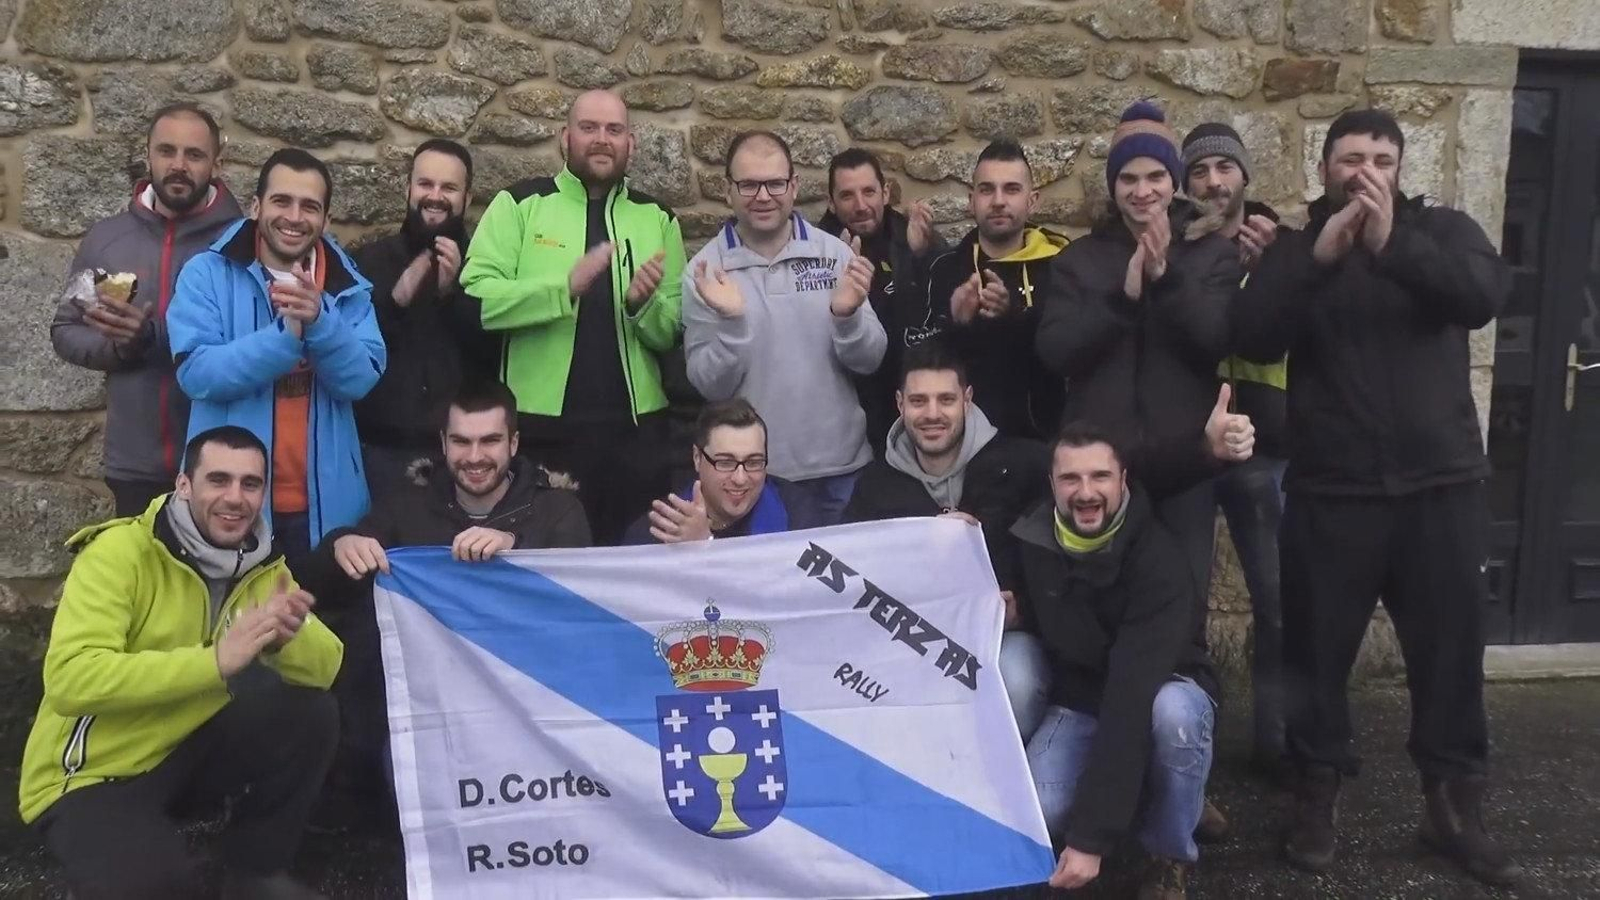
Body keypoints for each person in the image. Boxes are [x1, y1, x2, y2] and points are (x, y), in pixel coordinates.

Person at [1234, 109, 1520, 885]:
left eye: (1382, 159)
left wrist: (1391, 243)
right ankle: (1314, 799)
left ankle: (1452, 810)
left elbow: (1479, 296)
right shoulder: (1297, 249)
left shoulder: (1444, 231)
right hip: (1335, 491)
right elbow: (1253, 333)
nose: (1365, 172)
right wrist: (1314, 261)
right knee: (1316, 658)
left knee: (1450, 655)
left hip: (1442, 488)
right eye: (1350, 158)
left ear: (1401, 168)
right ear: (1324, 168)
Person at [17, 425, 343, 900]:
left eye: (250, 484)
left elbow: (328, 668)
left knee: (311, 714)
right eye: (218, 480)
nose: (235, 497)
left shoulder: (262, 563)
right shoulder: (119, 553)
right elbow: (71, 679)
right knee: (160, 885)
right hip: (94, 773)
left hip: (181, 749)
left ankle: (254, 871)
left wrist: (285, 641)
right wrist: (214, 662)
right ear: (184, 485)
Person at [297, 380, 590, 826]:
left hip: (528, 703)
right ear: (443, 443)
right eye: (461, 441)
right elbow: (325, 586)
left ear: (513, 443)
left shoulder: (557, 510)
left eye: (489, 441)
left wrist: (518, 548)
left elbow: (584, 590)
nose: (474, 457)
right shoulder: (406, 506)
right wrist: (341, 545)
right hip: (429, 706)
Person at [1036, 101, 1242, 600]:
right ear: (1113, 186)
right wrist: (1123, 297)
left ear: (1174, 183)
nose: (1142, 190)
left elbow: (1215, 339)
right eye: (1128, 178)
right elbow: (1055, 350)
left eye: (1155, 176)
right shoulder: (1078, 261)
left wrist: (1165, 280)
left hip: (1185, 465)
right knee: (1103, 603)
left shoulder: (1212, 254)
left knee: (1183, 600)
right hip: (1103, 474)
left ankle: (1184, 682)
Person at [460, 89, 685, 545]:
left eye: (614, 130)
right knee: (546, 568)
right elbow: (476, 301)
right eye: (589, 128)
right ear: (565, 138)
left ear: (631, 143)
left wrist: (643, 306)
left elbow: (673, 331)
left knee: (630, 570)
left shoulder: (658, 217)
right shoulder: (520, 204)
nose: (602, 140)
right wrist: (561, 290)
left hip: (637, 437)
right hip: (541, 432)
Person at [1013, 423, 1219, 900]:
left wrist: (1089, 841)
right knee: (1039, 812)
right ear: (1052, 484)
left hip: (1160, 686)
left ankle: (1169, 853)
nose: (1086, 492)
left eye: (1100, 476)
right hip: (1080, 697)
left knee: (1173, 718)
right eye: (1071, 479)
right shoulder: (1031, 538)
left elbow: (1130, 696)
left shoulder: (1160, 562)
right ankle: (1155, 791)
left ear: (1123, 479)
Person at [166, 148, 385, 567]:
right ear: (256, 206)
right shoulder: (206, 273)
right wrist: (285, 339)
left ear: (326, 220)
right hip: (230, 503)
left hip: (325, 511)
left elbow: (361, 378)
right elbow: (195, 372)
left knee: (318, 631)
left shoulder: (348, 285)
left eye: (310, 207)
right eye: (281, 201)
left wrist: (320, 322)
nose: (294, 217)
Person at [842, 343, 1050, 737]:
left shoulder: (1025, 466)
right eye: (919, 401)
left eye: (946, 400)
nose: (932, 414)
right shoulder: (875, 486)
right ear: (900, 404)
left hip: (1006, 640)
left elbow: (1058, 568)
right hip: (910, 643)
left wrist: (1023, 609)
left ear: (968, 400)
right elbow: (849, 579)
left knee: (1018, 683)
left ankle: (996, 792)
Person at [682, 130, 886, 530]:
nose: (763, 196)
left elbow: (872, 359)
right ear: (728, 191)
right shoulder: (704, 272)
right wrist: (733, 324)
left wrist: (847, 317)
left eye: (775, 183)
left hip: (842, 471)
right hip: (757, 481)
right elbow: (710, 386)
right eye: (749, 184)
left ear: (793, 187)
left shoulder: (835, 255)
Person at [50, 103, 244, 516]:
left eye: (194, 155)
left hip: (221, 463)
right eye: (167, 151)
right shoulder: (108, 239)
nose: (178, 165)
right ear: (148, 154)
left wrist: (154, 337)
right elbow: (66, 330)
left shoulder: (241, 242)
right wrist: (122, 347)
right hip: (134, 463)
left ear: (217, 163)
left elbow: (248, 336)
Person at [1182, 122, 1291, 778]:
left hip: (1268, 450)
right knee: (1186, 603)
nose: (1214, 181)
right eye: (1200, 171)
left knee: (1277, 602)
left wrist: (1266, 273)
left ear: (1246, 176)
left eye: (1225, 167)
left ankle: (1276, 742)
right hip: (1191, 449)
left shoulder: (1281, 250)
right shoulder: (1182, 252)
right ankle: (1197, 748)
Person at [353, 139, 494, 492]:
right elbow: (349, 355)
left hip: (462, 465)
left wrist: (452, 297)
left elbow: (496, 356)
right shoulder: (367, 262)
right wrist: (396, 301)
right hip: (377, 456)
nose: (435, 196)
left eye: (449, 187)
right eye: (425, 184)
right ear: (408, 189)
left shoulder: (488, 268)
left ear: (468, 197)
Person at [921, 140, 1068, 441]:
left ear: (1033, 200)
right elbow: (922, 365)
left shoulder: (1062, 265)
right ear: (971, 200)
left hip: (1044, 442)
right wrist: (957, 325)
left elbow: (1066, 357)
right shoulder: (944, 270)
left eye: (1012, 189)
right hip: (964, 447)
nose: (998, 201)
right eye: (987, 190)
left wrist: (1012, 316)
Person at [818, 148, 947, 452]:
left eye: (869, 192)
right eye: (847, 196)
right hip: (846, 403)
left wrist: (921, 256)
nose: (861, 205)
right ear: (831, 203)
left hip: (908, 398)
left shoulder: (913, 236)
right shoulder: (817, 250)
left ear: (886, 193)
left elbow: (943, 313)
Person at [623, 397, 788, 544]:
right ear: (697, 458)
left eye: (753, 462)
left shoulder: (798, 516)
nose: (740, 479)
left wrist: (705, 545)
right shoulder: (654, 533)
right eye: (725, 462)